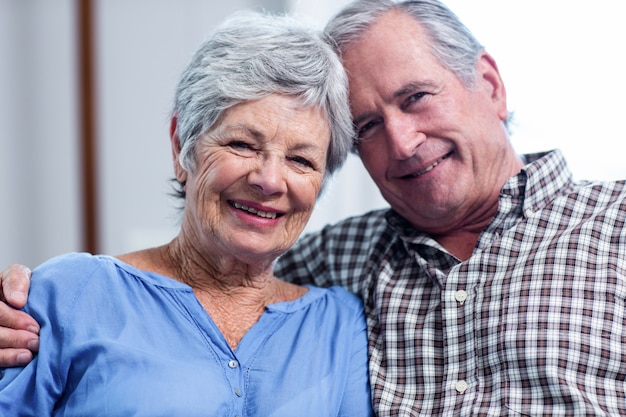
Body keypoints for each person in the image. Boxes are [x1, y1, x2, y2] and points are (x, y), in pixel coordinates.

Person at [2, 0, 626, 415]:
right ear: (182, 147)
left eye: (417, 97)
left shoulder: (615, 229)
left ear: (488, 85)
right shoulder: (342, 265)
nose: (403, 141)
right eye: (369, 126)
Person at [0, 10, 374, 417]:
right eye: (242, 144)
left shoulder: (340, 325)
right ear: (182, 147)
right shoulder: (70, 293)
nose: (270, 180)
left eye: (301, 160)